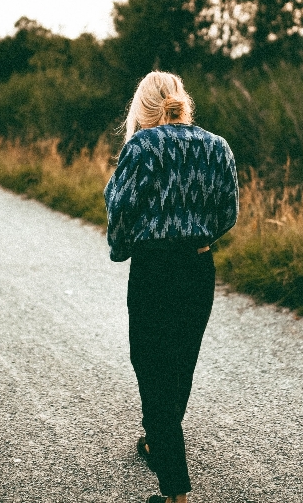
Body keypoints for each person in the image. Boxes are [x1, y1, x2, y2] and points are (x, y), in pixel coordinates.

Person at [104, 71, 239, 503]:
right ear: (183, 103)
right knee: (179, 365)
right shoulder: (218, 147)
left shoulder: (140, 147)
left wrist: (122, 248)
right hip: (199, 268)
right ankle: (158, 441)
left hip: (155, 269)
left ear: (141, 110)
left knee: (150, 365)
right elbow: (228, 212)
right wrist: (198, 237)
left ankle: (176, 493)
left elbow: (121, 209)